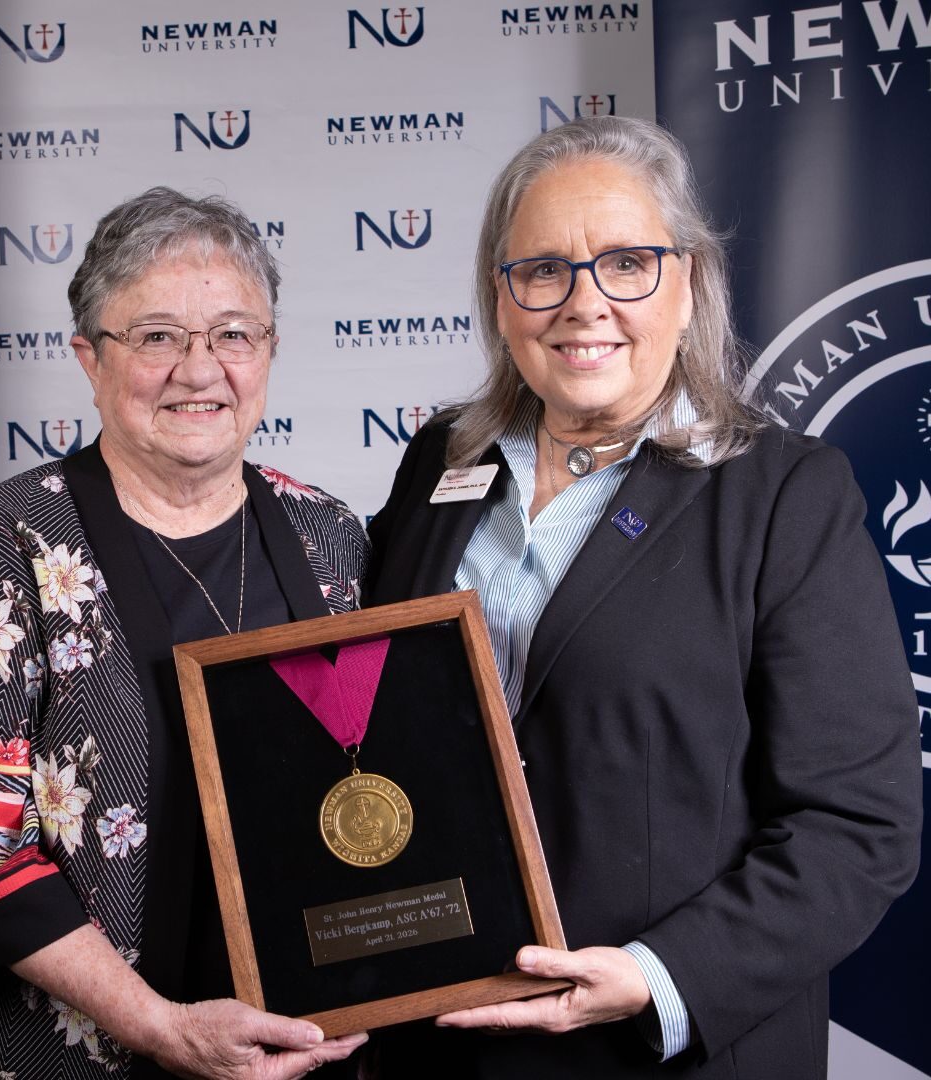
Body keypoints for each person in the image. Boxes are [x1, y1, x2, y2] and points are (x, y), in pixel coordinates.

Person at [363, 117, 921, 1078]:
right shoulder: (440, 463)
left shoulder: (782, 495)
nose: (584, 304)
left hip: (659, 1051)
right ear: (503, 300)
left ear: (690, 283)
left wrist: (656, 976)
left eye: (627, 262)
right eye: (542, 269)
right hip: (443, 1036)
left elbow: (859, 827)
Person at [0, 188, 369, 1078]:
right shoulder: (5, 545)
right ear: (90, 358)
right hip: (73, 1057)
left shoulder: (330, 536)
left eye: (234, 334)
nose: (200, 369)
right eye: (156, 337)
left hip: (301, 1049)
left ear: (268, 351)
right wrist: (161, 1027)